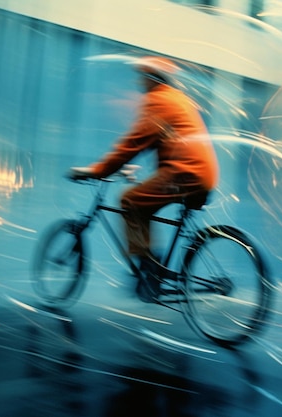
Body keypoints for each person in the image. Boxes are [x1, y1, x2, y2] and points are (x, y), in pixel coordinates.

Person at [69, 56, 219, 301]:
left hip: (186, 173)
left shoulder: (159, 99)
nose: (138, 81)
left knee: (130, 201)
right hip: (199, 173)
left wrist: (98, 170)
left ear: (151, 79)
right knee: (143, 203)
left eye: (141, 76)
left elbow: (134, 143)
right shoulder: (177, 99)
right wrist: (128, 168)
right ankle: (154, 274)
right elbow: (158, 141)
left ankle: (150, 273)